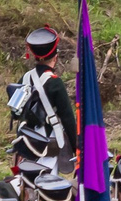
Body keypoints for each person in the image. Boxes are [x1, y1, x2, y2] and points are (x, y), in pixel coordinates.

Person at [9, 28, 80, 167]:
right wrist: (76, 148)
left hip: (25, 141)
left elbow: (14, 112)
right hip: (47, 144)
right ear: (55, 56)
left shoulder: (24, 78)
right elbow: (68, 119)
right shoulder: (55, 82)